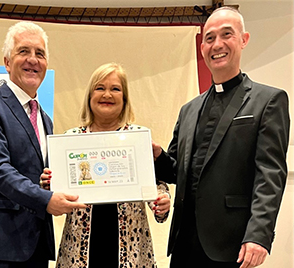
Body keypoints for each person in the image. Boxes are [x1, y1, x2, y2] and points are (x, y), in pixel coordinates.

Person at [152, 7, 290, 268]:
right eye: (210, 38)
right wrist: (159, 155)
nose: (217, 44)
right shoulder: (189, 110)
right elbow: (176, 172)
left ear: (244, 39)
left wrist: (259, 235)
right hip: (183, 243)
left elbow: (270, 174)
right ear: (202, 46)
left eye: (227, 34)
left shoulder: (269, 101)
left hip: (232, 244)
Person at [0, 21, 86, 268]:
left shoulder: (45, 119)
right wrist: (45, 199)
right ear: (7, 62)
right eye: (24, 51)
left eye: (40, 53)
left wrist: (52, 182)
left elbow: (35, 174)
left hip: (37, 243)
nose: (33, 59)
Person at [41, 63, 171, 268]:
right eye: (100, 88)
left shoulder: (137, 137)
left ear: (125, 98)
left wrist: (161, 201)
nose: (107, 94)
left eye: (115, 89)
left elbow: (156, 184)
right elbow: (56, 195)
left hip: (131, 252)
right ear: (89, 97)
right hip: (79, 253)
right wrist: (48, 186)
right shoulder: (71, 140)